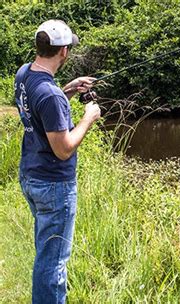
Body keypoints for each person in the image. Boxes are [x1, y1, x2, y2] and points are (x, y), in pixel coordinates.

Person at [14, 20, 101, 303]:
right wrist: (88, 118)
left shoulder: (25, 74)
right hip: (53, 185)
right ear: (63, 52)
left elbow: (39, 107)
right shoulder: (50, 95)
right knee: (53, 262)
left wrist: (70, 90)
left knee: (46, 251)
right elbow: (63, 149)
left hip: (31, 176)